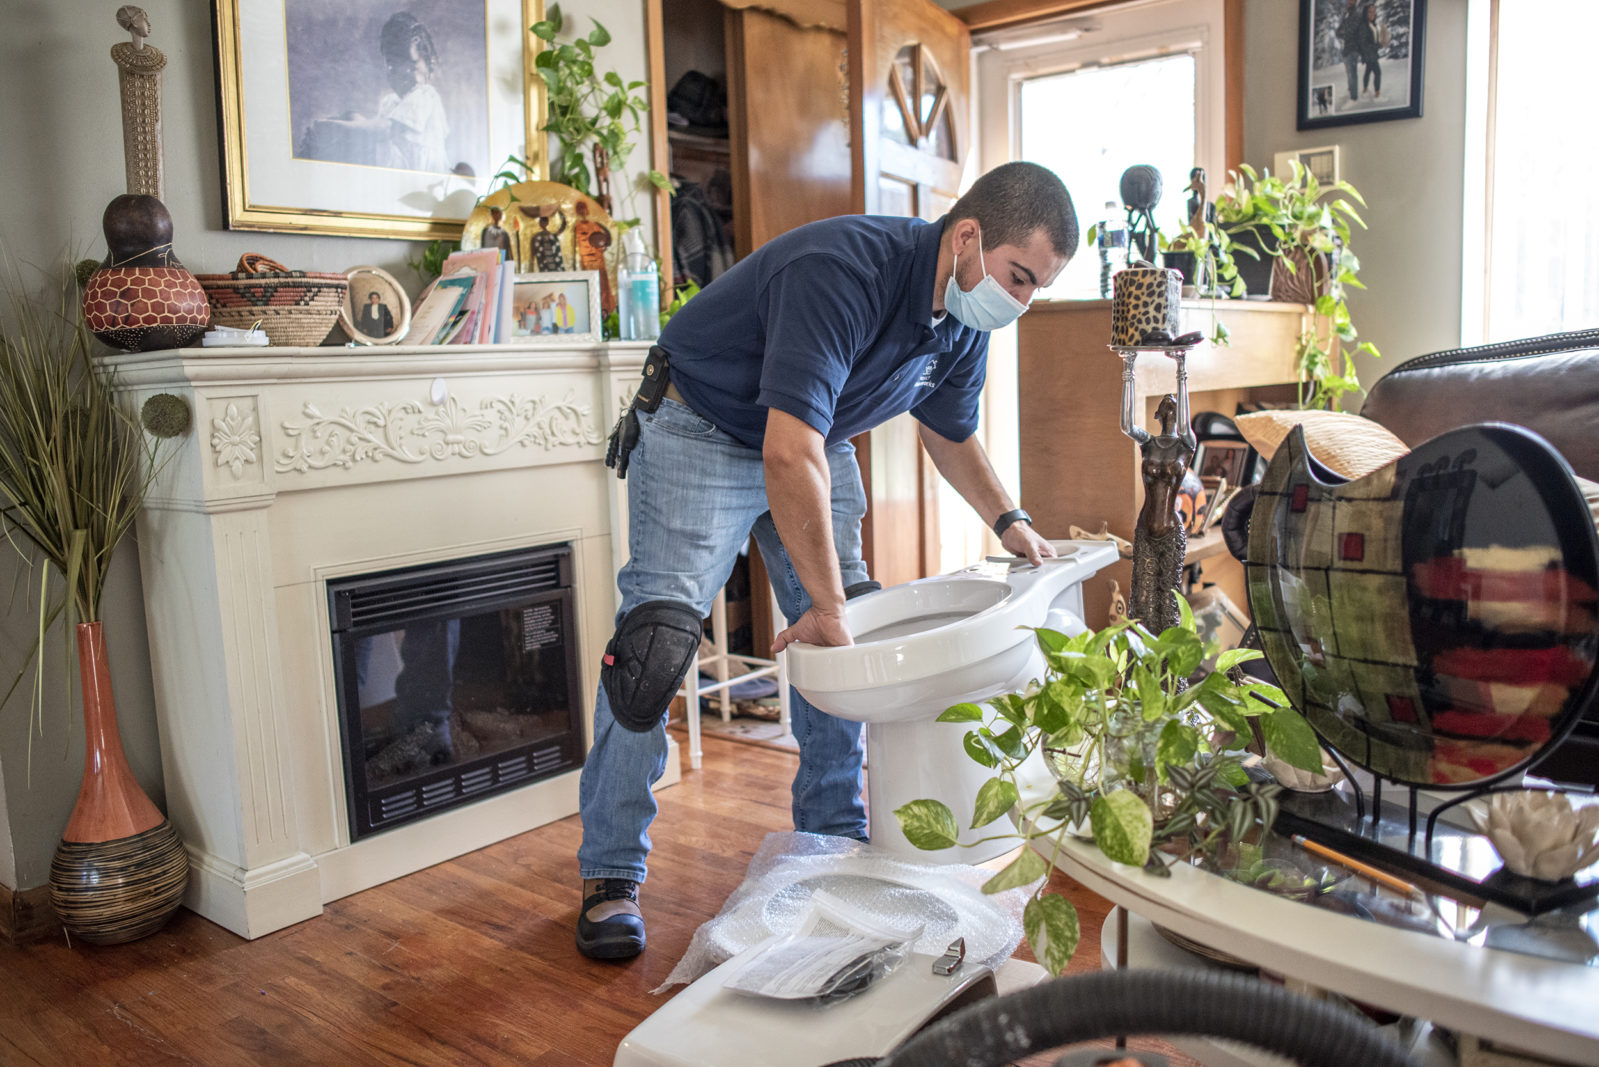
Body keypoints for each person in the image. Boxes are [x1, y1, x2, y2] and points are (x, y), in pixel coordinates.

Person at [575, 161, 1077, 960]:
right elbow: (786, 450)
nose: (1018, 303)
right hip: (701, 425)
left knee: (849, 638)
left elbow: (948, 432)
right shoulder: (842, 270)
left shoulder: (963, 322)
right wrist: (827, 599)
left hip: (812, 439)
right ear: (969, 237)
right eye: (1017, 278)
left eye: (1034, 290)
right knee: (653, 647)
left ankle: (832, 838)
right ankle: (609, 871)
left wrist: (1008, 519)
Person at [1338, 0, 1362, 104]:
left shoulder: (1357, 14)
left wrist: (1344, 32)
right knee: (1349, 72)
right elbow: (1338, 31)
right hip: (1346, 49)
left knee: (1352, 73)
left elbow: (1352, 31)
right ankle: (1350, 91)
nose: (1349, 1)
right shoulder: (1346, 14)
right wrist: (1343, 32)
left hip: (1353, 48)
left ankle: (1354, 98)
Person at [1358, 4, 1383, 101]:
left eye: (1374, 11)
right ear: (1365, 13)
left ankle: (1365, 89)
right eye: (1370, 11)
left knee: (1368, 71)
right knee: (1378, 72)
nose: (1372, 13)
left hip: (1373, 53)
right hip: (1369, 54)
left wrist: (1379, 43)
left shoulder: (1373, 24)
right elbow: (1363, 43)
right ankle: (1377, 93)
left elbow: (1373, 39)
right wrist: (1377, 46)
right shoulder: (1363, 26)